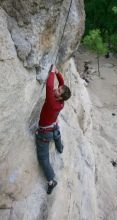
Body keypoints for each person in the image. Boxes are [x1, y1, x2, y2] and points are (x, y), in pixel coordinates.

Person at [35, 64, 71, 194]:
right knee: (56, 129)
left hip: (44, 133)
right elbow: (61, 83)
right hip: (52, 126)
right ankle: (60, 147)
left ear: (60, 97)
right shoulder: (61, 101)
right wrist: (58, 72)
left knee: (43, 158)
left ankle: (51, 181)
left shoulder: (52, 101)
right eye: (59, 88)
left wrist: (51, 72)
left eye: (59, 91)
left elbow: (49, 86)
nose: (56, 89)